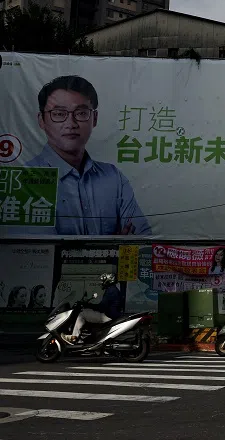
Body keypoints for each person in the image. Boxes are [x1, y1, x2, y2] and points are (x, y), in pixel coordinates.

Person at [25, 76, 151, 236]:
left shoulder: (113, 178)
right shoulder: (25, 178)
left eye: (81, 113)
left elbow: (142, 238)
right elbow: (38, 251)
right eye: (58, 113)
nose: (71, 123)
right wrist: (113, 246)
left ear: (95, 119)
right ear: (41, 120)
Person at [64, 273, 123, 344]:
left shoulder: (111, 291)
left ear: (108, 281)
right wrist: (90, 306)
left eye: (103, 281)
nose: (101, 283)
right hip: (110, 314)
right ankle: (85, 334)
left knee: (82, 314)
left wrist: (88, 305)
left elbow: (101, 307)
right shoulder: (113, 289)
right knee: (88, 311)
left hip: (107, 316)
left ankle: (74, 337)